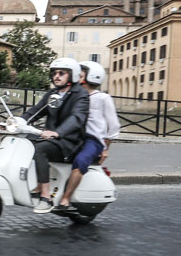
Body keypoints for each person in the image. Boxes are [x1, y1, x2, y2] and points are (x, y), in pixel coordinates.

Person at [21, 57, 89, 214]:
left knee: (40, 149)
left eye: (62, 73)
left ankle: (46, 197)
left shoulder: (81, 95)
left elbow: (77, 118)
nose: (56, 76)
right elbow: (35, 111)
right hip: (51, 138)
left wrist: (58, 132)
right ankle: (37, 184)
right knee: (23, 141)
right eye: (54, 73)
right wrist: (15, 121)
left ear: (72, 75)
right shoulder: (52, 93)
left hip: (69, 143)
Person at [54, 60, 120, 214]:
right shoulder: (73, 95)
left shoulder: (102, 98)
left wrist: (105, 148)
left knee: (80, 161)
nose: (76, 76)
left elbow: (114, 125)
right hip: (73, 137)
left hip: (92, 140)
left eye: (80, 74)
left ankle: (66, 198)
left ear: (91, 77)